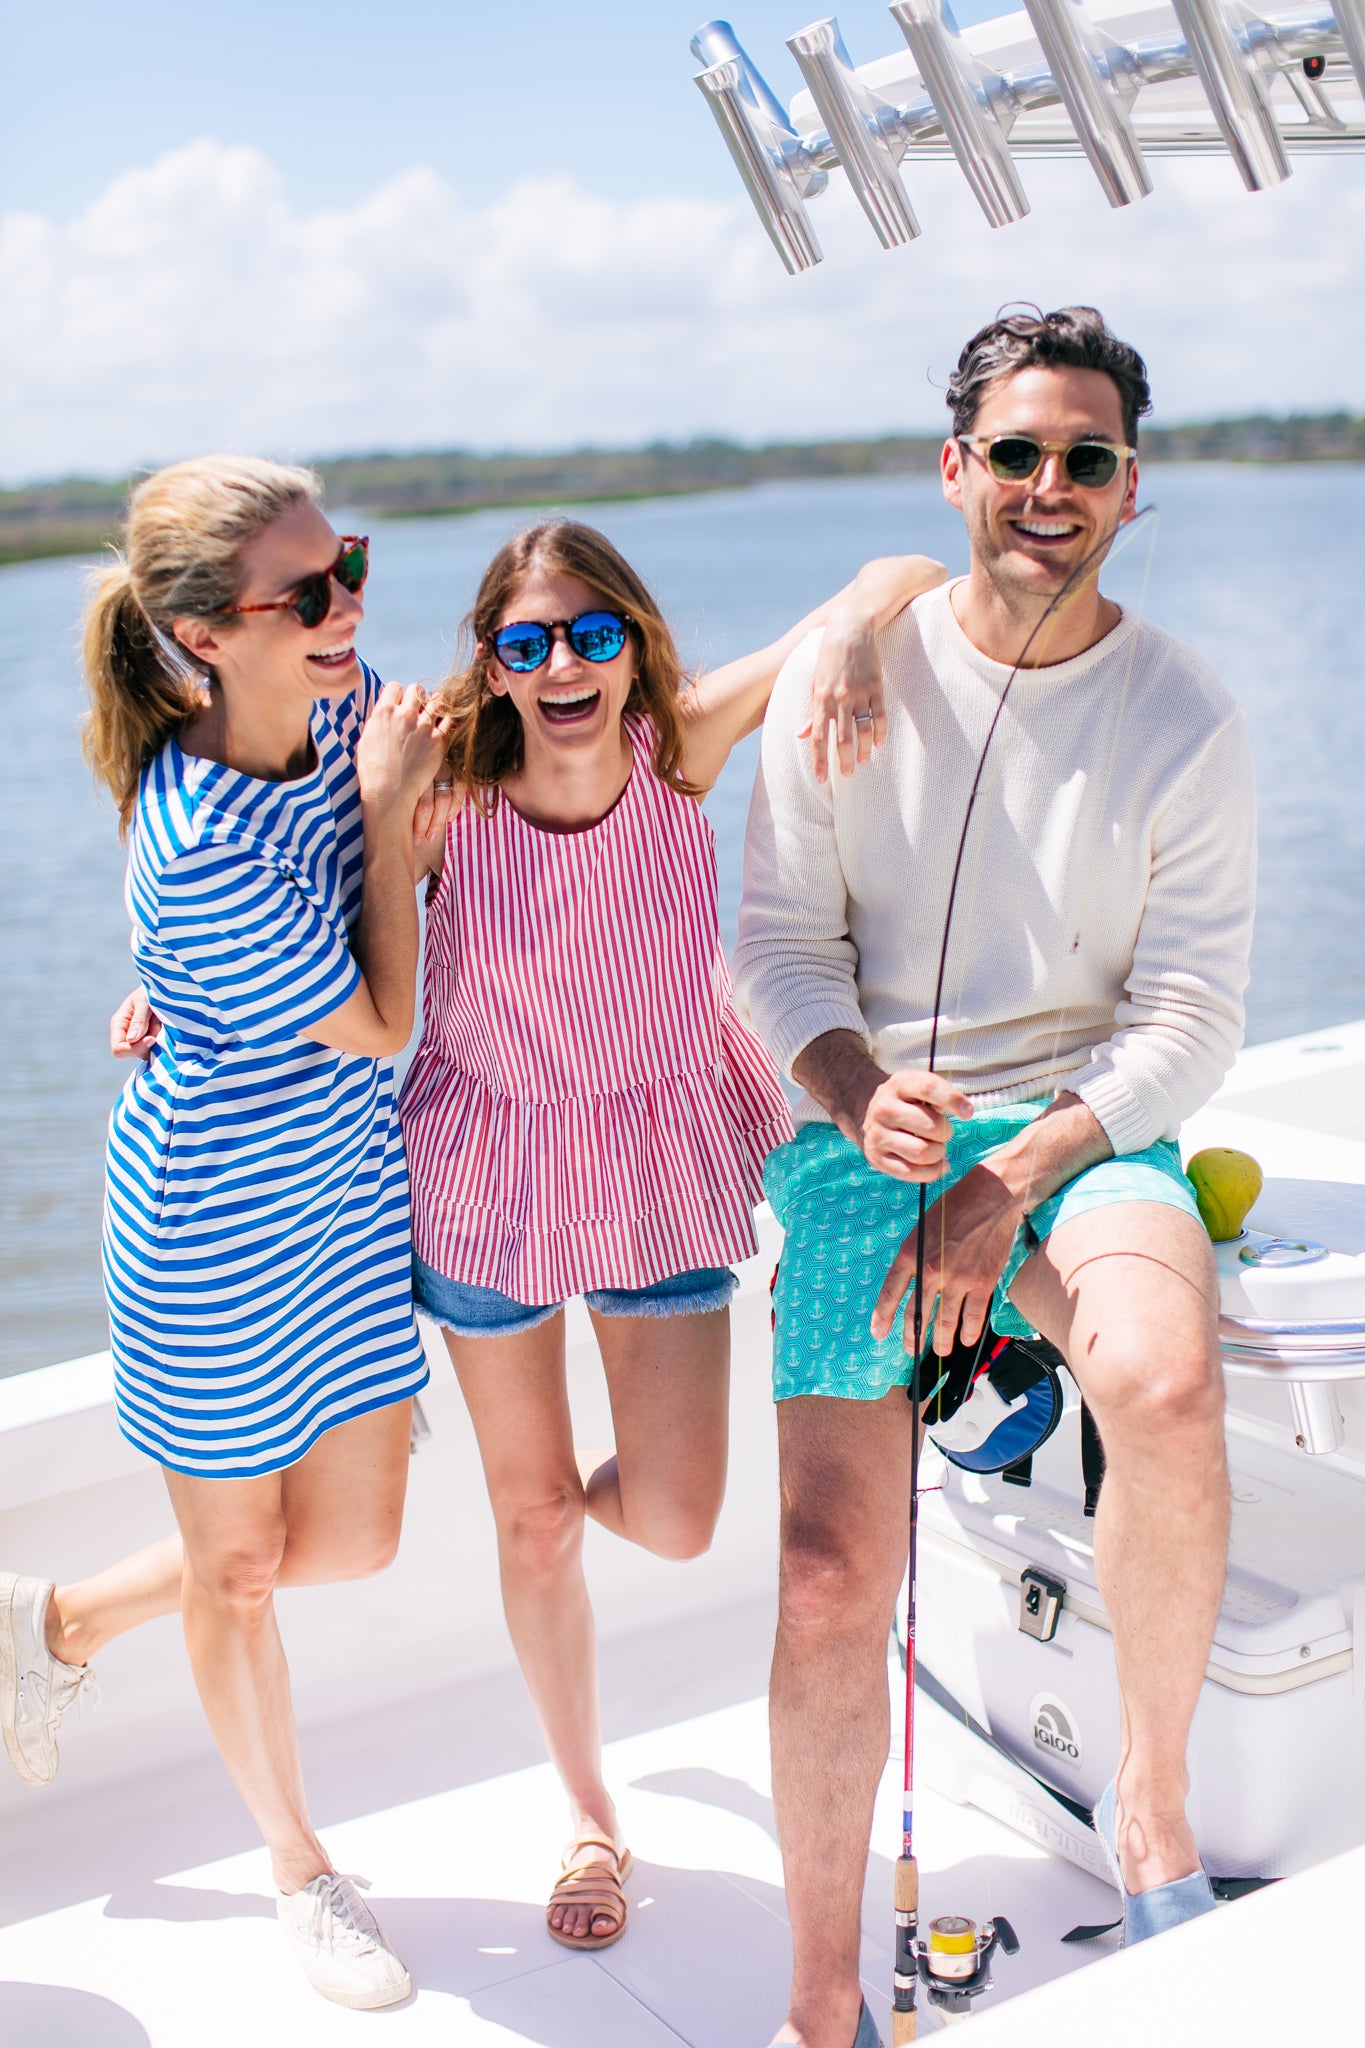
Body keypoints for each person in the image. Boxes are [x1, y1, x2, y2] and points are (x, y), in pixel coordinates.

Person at [735, 307, 1256, 2048]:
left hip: (1084, 1126)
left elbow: (1189, 1011)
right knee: (827, 1572)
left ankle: (1150, 1812)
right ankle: (821, 1998)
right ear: (953, 468)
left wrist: (1016, 1168)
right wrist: (850, 1089)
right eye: (1016, 451)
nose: (1050, 483)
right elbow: (775, 946)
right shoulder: (842, 670)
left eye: (1085, 457)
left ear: (1130, 487)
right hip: (865, 1128)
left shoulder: (1183, 714)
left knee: (1163, 1386)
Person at [399, 519, 946, 1954]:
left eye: (591, 635)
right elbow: (295, 889)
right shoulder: (443, 792)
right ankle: (591, 1817)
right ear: (492, 665)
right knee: (532, 1522)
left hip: (654, 1160)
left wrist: (845, 630)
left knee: (678, 1518)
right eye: (526, 643)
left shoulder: (681, 747)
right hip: (486, 1166)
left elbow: (899, 575)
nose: (562, 665)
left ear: (633, 647)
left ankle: (552, 1503)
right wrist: (160, 990)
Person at [0, 456, 456, 2010]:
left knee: (354, 1539)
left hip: (344, 1213)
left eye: (350, 567)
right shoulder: (196, 840)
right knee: (245, 1575)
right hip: (211, 1237)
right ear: (204, 633)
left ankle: (58, 1621)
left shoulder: (343, 701)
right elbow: (381, 1021)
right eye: (307, 592)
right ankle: (300, 1871)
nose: (346, 609)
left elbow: (445, 789)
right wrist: (388, 819)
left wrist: (404, 807)